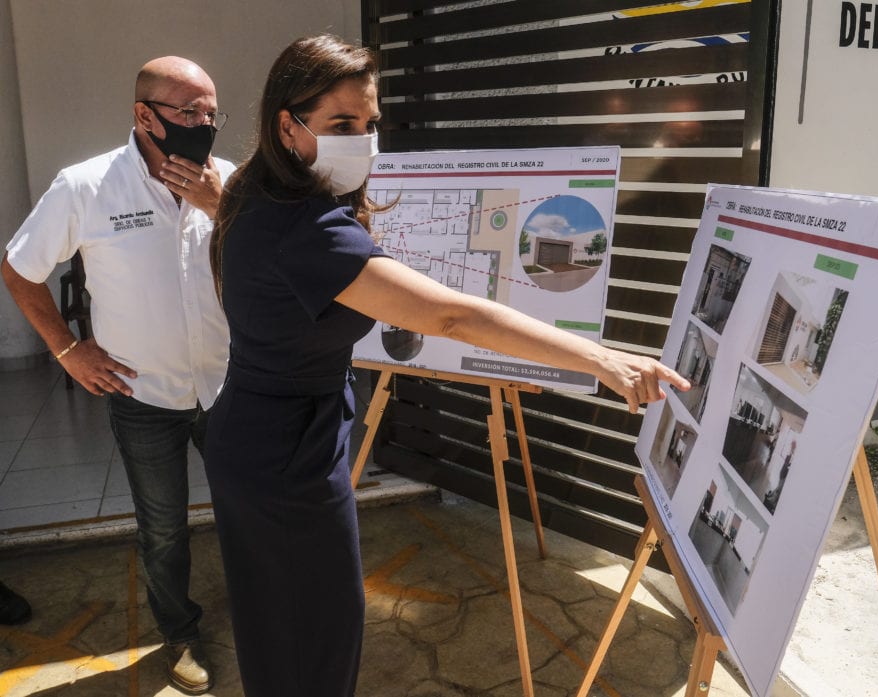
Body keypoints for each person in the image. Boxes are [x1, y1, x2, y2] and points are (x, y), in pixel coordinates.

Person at [204, 33, 690, 697]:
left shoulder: (256, 190)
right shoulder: (305, 228)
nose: (363, 140)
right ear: (288, 125)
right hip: (285, 459)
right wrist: (600, 358)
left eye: (371, 124)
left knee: (278, 631)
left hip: (261, 438)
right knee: (313, 643)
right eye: (341, 124)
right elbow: (451, 318)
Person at [2, 56, 233, 695]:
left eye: (211, 112)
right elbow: (19, 268)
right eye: (187, 112)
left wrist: (222, 205)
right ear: (144, 115)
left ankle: (265, 606)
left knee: (249, 508)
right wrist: (68, 351)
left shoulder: (232, 182)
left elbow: (271, 263)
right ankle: (181, 634)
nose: (203, 124)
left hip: (227, 388)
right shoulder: (87, 186)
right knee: (162, 528)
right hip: (144, 395)